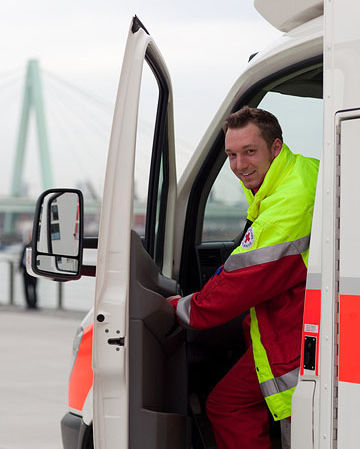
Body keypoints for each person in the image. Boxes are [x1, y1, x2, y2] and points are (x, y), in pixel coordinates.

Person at [169, 106, 319, 449]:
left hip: (301, 342)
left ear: (276, 147)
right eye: (231, 155)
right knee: (228, 403)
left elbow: (246, 277)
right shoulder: (301, 171)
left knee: (231, 406)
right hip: (293, 323)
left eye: (249, 152)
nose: (239, 166)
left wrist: (185, 309)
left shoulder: (290, 201)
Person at [19, 241, 38, 309]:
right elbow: (22, 257)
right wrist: (20, 267)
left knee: (34, 287)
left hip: (34, 271)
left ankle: (34, 304)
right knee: (26, 288)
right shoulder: (26, 246)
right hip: (25, 270)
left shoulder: (36, 246)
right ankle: (28, 304)